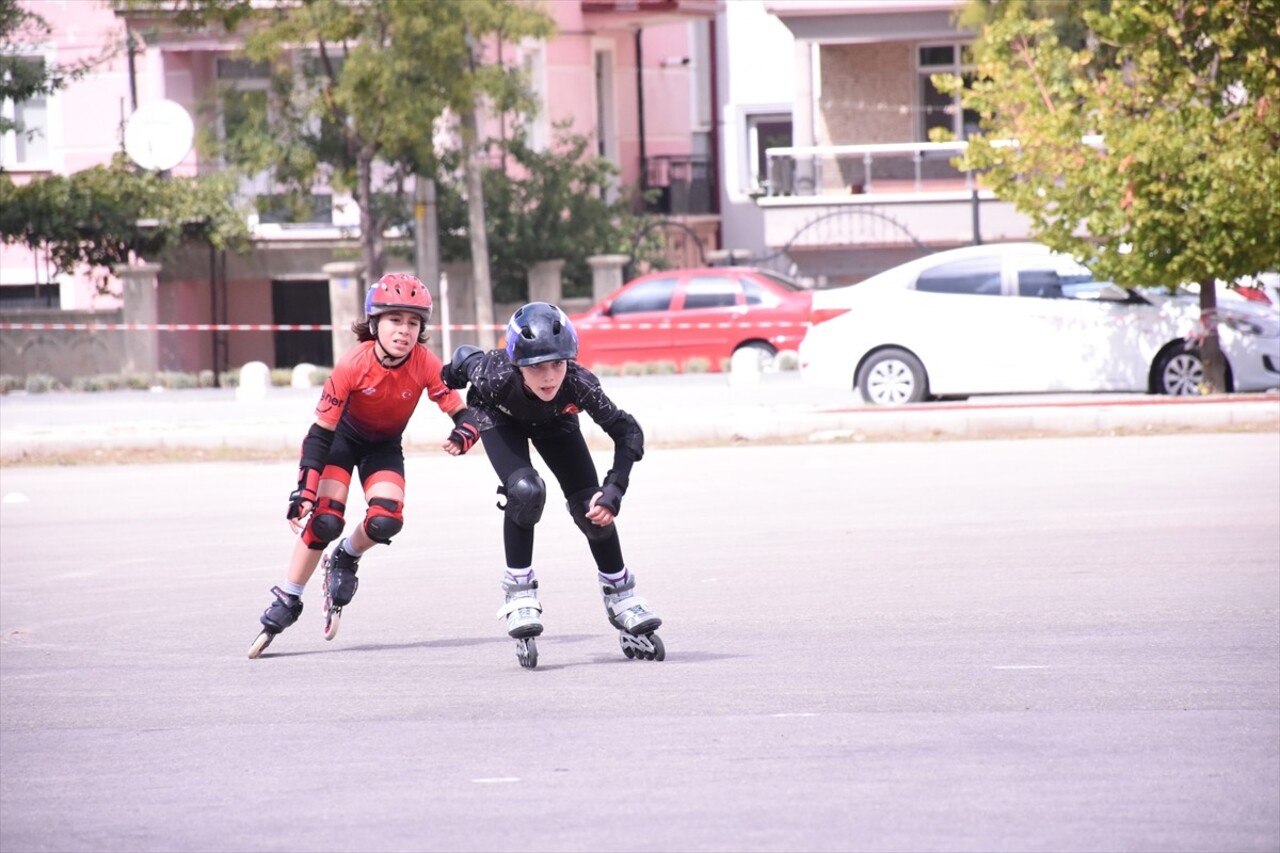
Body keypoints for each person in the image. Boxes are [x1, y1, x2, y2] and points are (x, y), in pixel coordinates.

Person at [248, 272, 481, 659]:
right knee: (325, 520)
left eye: (413, 322)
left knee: (386, 520)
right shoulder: (351, 365)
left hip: (383, 447)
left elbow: (462, 412)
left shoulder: (425, 362)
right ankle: (289, 597)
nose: (404, 331)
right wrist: (304, 489)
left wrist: (465, 433)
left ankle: (346, 556)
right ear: (374, 323)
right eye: (394, 320)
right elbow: (320, 434)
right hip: (341, 442)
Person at [441, 301, 665, 668]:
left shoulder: (577, 383)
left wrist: (614, 490)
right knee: (527, 492)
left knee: (594, 509)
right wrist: (450, 376)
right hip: (500, 418)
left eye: (557, 364)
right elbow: (466, 358)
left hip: (556, 423)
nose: (549, 377)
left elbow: (628, 432)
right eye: (537, 367)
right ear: (517, 365)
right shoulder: (494, 373)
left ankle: (621, 595)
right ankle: (518, 590)